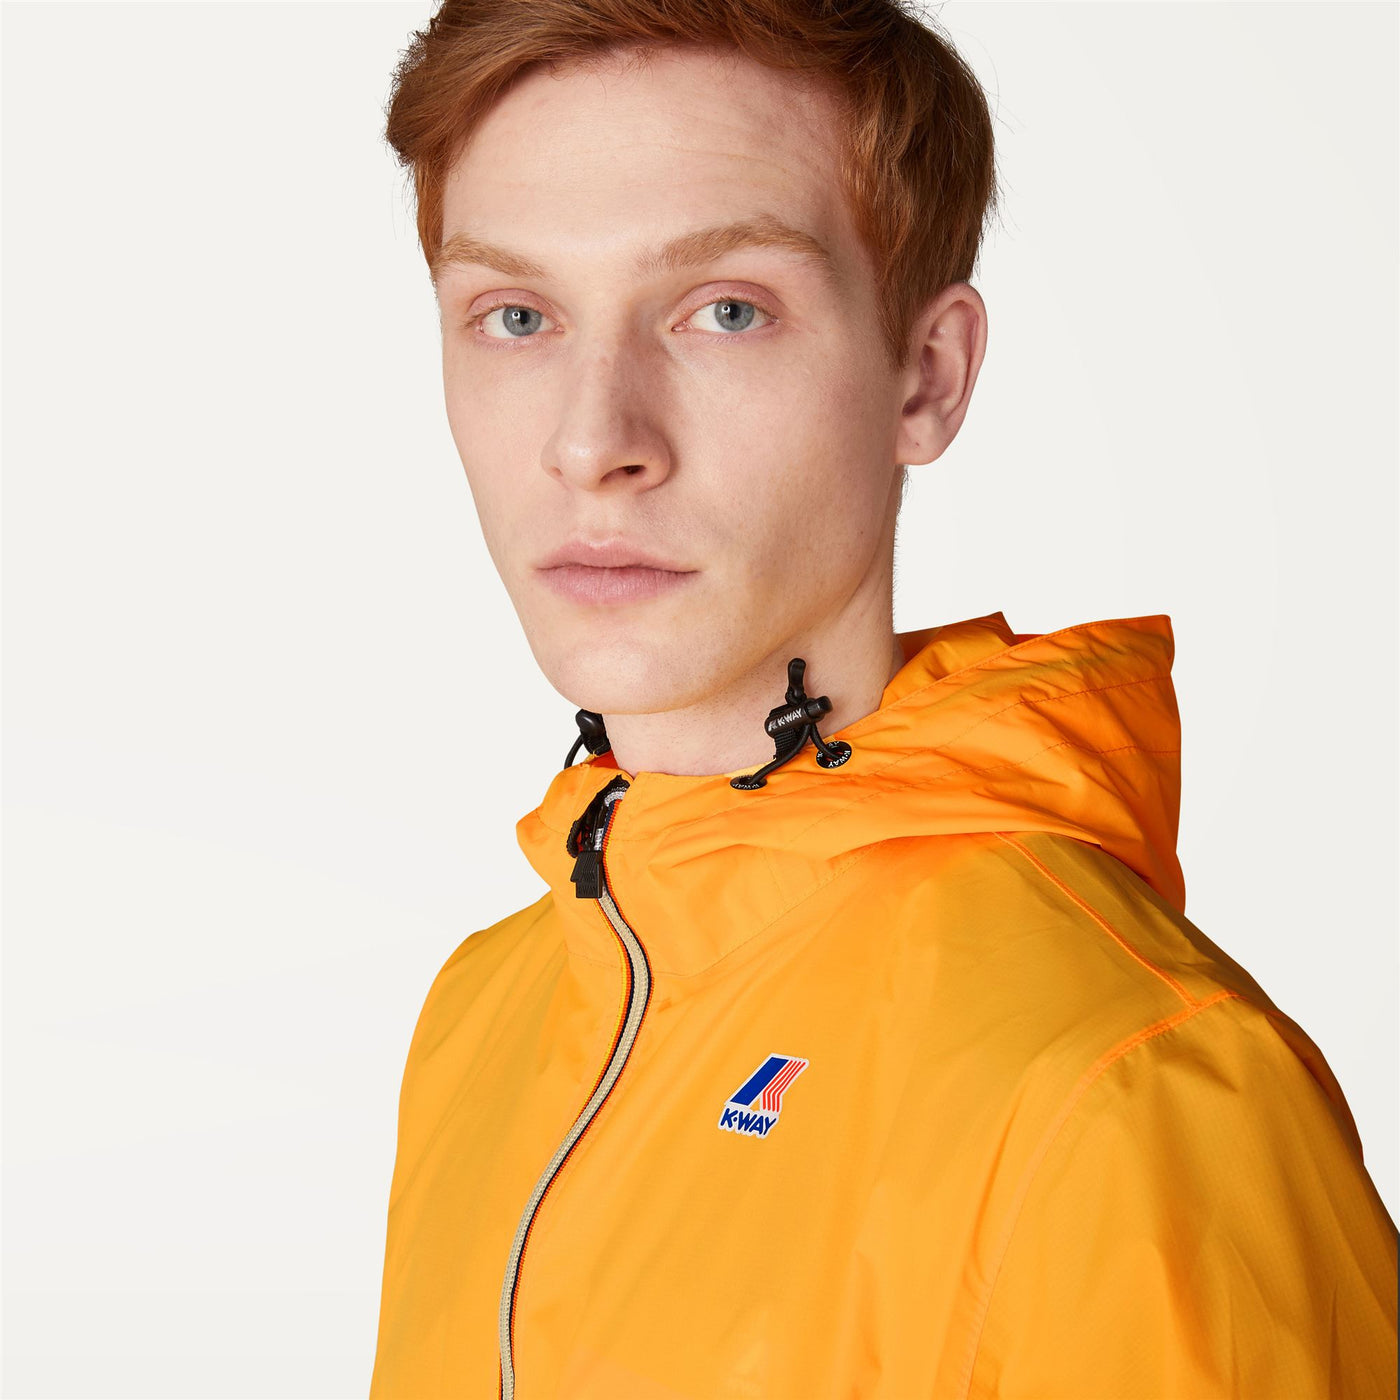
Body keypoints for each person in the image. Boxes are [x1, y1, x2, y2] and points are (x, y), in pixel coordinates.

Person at [368, 2, 1399, 1395]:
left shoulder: (1127, 1083)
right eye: (517, 317)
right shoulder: (486, 1014)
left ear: (926, 377)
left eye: (726, 310)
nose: (593, 438)